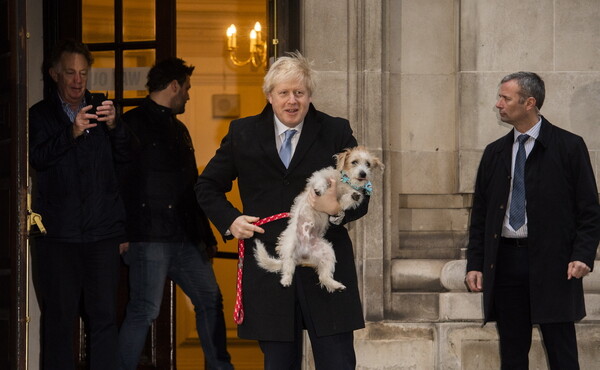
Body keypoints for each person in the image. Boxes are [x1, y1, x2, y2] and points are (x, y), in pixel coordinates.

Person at [195, 51, 368, 369]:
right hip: (272, 274)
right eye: (284, 93)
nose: (292, 101)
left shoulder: (336, 131)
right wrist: (231, 220)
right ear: (270, 95)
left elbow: (363, 191)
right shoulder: (242, 133)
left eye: (299, 93)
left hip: (325, 271)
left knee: (339, 363)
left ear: (309, 95)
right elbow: (205, 187)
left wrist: (338, 210)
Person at [465, 71, 600, 370]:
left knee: (562, 352)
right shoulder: (495, 152)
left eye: (505, 98)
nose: (498, 104)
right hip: (506, 264)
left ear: (529, 102)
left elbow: (590, 210)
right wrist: (475, 263)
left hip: (555, 266)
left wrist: (582, 255)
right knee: (512, 353)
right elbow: (481, 216)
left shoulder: (569, 147)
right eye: (499, 97)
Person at [117, 57, 233, 370]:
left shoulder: (179, 129)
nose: (188, 95)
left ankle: (220, 368)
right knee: (144, 309)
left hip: (184, 237)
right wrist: (121, 233)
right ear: (173, 86)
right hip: (148, 235)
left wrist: (206, 235)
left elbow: (190, 187)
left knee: (210, 299)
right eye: (187, 88)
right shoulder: (131, 124)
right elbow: (117, 183)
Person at [29, 39, 127, 370]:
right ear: (54, 73)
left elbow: (127, 160)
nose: (77, 80)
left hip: (101, 235)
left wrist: (115, 126)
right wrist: (71, 132)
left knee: (104, 319)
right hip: (58, 236)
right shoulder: (39, 115)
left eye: (83, 73)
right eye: (70, 72)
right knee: (59, 320)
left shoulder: (102, 110)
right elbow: (37, 159)